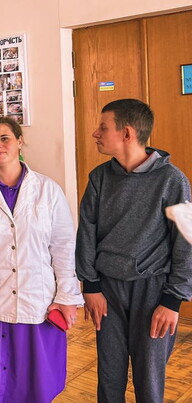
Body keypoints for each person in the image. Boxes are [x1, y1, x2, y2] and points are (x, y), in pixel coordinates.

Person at [0, 117, 83, 402]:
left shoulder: (49, 191)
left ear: (20, 142)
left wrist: (67, 295)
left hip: (38, 301)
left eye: (5, 138)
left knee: (36, 383)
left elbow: (63, 246)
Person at [76, 99, 192, 402]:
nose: (95, 133)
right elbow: (86, 232)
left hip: (153, 293)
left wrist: (172, 299)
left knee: (149, 380)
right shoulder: (99, 178)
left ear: (127, 133)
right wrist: (90, 285)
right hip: (107, 292)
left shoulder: (172, 180)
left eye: (103, 127)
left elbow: (186, 242)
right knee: (109, 376)